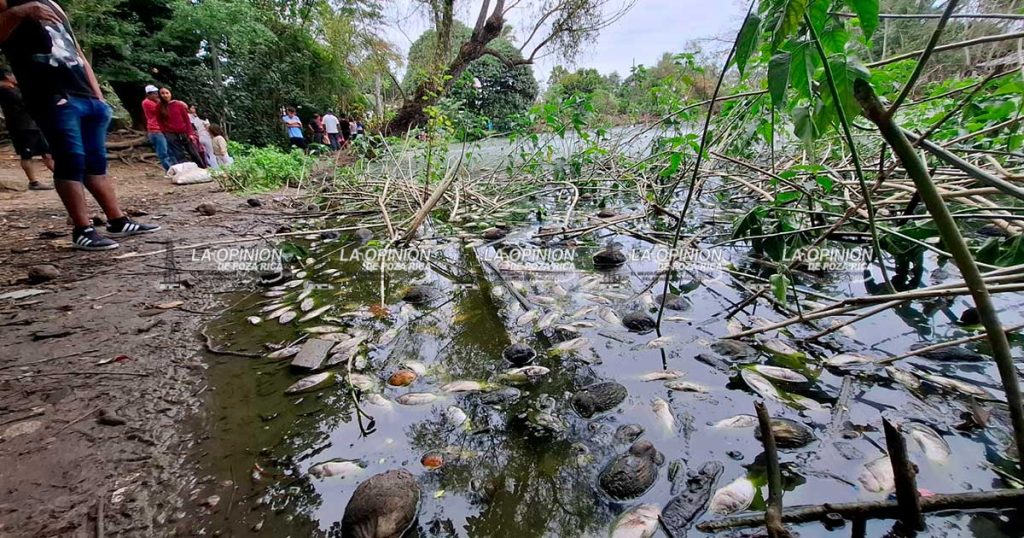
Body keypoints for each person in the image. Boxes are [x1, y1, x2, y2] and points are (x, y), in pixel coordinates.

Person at [0, 0, 159, 250]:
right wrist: (22, 12)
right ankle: (82, 229)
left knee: (96, 162)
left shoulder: (52, 3)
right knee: (70, 159)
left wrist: (98, 96)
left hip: (85, 94)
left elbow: (77, 51)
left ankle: (117, 220)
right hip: (50, 95)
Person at [0, 67, 53, 190]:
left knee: (47, 153)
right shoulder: (6, 91)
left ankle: (64, 177)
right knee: (26, 155)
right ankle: (33, 182)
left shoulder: (14, 89)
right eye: (14, 74)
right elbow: (27, 102)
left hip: (32, 125)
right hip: (21, 127)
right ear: (8, 76)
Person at [157, 87, 204, 168]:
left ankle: (203, 168)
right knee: (179, 155)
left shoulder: (178, 105)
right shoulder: (159, 107)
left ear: (170, 93)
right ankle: (186, 171)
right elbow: (160, 122)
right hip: (171, 134)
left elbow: (186, 119)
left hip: (184, 132)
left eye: (167, 93)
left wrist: (190, 133)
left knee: (193, 152)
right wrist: (165, 133)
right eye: (162, 93)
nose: (165, 95)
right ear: (160, 95)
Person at [141, 85, 172, 171]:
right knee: (163, 152)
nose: (157, 95)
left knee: (169, 151)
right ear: (148, 94)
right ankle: (169, 169)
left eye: (157, 93)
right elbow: (162, 111)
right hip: (155, 130)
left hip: (162, 129)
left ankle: (173, 168)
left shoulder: (155, 102)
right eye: (154, 94)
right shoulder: (147, 103)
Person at [189, 104, 217, 169]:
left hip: (200, 137)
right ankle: (215, 168)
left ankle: (207, 166)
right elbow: (209, 128)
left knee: (205, 153)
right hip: (206, 137)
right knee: (211, 153)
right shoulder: (205, 120)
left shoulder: (195, 120)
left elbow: (194, 129)